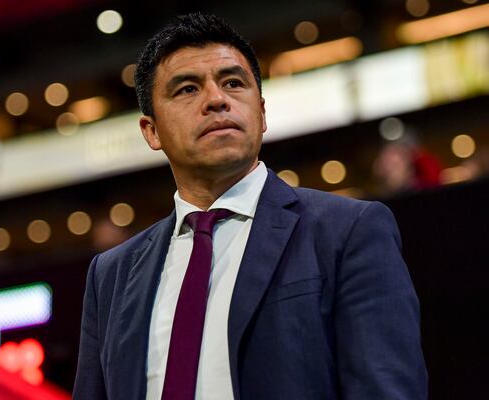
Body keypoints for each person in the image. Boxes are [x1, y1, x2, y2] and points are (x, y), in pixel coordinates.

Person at [73, 13, 427, 400]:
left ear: (262, 113)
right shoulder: (110, 274)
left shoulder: (348, 231)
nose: (216, 99)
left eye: (233, 83)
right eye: (187, 89)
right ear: (151, 131)